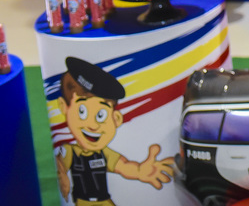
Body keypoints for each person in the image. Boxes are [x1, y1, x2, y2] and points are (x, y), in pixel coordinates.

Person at [54, 56, 175, 205]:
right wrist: (62, 176)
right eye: (82, 112)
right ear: (63, 107)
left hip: (105, 201)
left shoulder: (104, 154)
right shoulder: (70, 151)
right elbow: (59, 163)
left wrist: (140, 171)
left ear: (116, 119)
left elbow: (123, 166)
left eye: (101, 115)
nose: (93, 125)